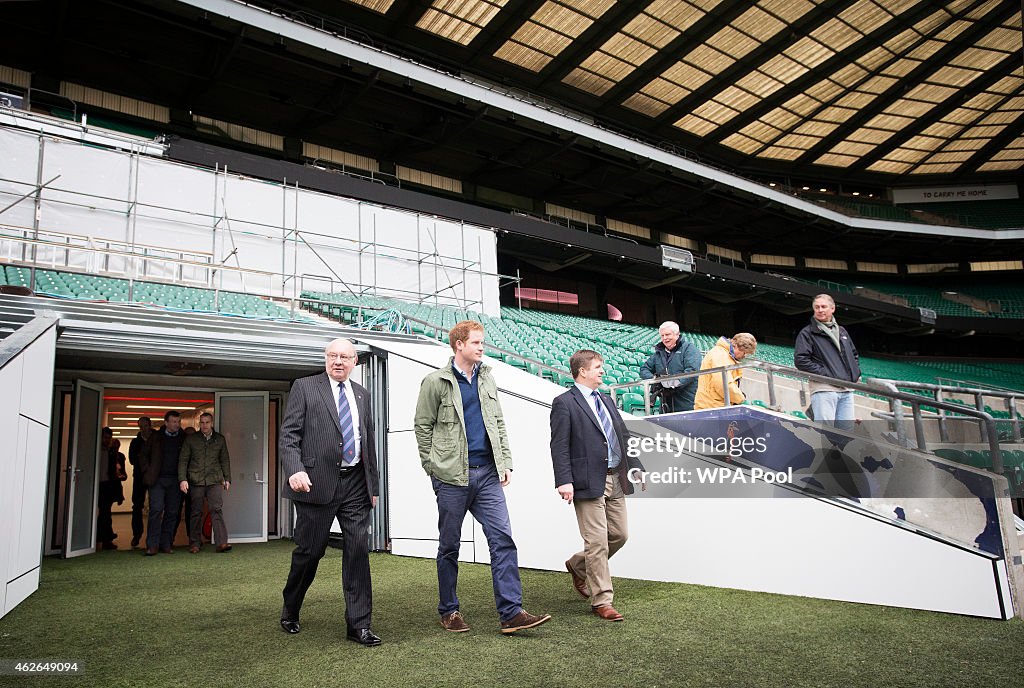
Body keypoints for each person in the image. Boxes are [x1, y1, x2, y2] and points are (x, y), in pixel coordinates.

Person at [414, 320, 551, 635]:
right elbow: (422, 426)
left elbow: (498, 421)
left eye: (482, 342)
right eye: (476, 342)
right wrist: (432, 467)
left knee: (503, 539)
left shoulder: (488, 378)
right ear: (459, 345)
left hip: (488, 473)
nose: (481, 347)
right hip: (452, 478)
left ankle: (511, 613)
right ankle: (449, 610)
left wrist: (505, 461)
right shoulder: (435, 381)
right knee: (450, 546)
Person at [279, 338, 381, 645]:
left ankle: (358, 625)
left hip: (355, 485)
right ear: (326, 358)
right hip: (315, 482)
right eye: (333, 356)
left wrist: (372, 487)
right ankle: (290, 608)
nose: (338, 361)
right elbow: (289, 435)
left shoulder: (362, 394)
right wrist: (295, 469)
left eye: (345, 357)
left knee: (357, 551)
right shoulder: (305, 387)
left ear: (354, 362)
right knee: (310, 552)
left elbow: (368, 444)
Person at [550, 349, 645, 621]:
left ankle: (578, 565)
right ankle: (602, 600)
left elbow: (621, 434)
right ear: (582, 371)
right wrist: (564, 480)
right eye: (597, 367)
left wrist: (635, 466)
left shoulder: (605, 399)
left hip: (617, 476)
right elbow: (559, 446)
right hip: (587, 480)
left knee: (619, 535)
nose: (602, 371)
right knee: (597, 541)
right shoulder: (564, 403)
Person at [794, 294, 861, 429]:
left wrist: (855, 373)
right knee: (826, 431)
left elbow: (854, 355)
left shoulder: (842, 331)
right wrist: (826, 374)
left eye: (823, 307)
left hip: (846, 389)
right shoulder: (807, 333)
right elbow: (801, 360)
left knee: (847, 433)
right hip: (824, 389)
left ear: (832, 308)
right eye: (817, 307)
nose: (820, 310)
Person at [179, 412, 232, 554]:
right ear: (199, 424)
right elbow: (183, 460)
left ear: (212, 423)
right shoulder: (191, 439)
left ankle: (221, 543)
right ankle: (195, 543)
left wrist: (227, 478)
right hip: (196, 480)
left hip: (214, 479)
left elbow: (225, 459)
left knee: (216, 509)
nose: (204, 425)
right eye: (202, 422)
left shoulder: (219, 439)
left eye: (207, 422)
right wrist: (182, 479)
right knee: (196, 512)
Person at [139, 411, 186, 555]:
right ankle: (152, 545)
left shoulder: (183, 438)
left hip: (175, 480)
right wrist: (148, 472)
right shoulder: (156, 437)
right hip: (157, 480)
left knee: (172, 512)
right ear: (166, 423)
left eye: (178, 422)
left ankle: (166, 543)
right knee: (156, 510)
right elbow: (142, 455)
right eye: (173, 422)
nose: (176, 425)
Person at [639, 321, 701, 412]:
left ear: (677, 334)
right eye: (662, 335)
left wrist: (674, 383)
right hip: (665, 406)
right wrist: (656, 380)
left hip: (687, 404)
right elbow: (644, 369)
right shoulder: (658, 353)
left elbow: (692, 371)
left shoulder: (689, 348)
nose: (665, 338)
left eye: (668, 334)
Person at [693, 333, 758, 410]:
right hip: (711, 406)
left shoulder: (724, 354)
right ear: (737, 346)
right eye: (744, 353)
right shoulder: (721, 355)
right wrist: (741, 399)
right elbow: (723, 384)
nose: (744, 357)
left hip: (713, 405)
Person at [96, 428, 126, 550]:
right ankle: (103, 537)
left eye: (108, 438)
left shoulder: (112, 454)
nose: (106, 440)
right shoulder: (95, 451)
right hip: (96, 485)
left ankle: (105, 538)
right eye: (105, 437)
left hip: (107, 486)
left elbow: (117, 475)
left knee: (105, 513)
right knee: (104, 513)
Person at [127, 416, 152, 548]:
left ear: (150, 425)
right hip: (139, 477)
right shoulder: (135, 442)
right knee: (137, 506)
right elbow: (132, 459)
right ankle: (137, 534)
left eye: (146, 426)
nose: (143, 429)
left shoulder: (156, 440)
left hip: (154, 478)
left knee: (156, 506)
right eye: (141, 426)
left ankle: (153, 536)